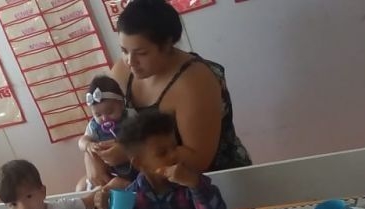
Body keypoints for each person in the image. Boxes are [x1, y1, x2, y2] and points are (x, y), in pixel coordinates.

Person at [89, 0, 249, 189]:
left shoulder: (194, 82)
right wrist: (91, 158)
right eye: (124, 50)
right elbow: (99, 119)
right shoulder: (122, 71)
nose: (130, 61)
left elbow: (199, 160)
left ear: (166, 45)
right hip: (152, 185)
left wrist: (131, 152)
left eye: (142, 53)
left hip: (213, 184)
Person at [94, 110, 227, 209]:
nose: (173, 155)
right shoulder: (132, 193)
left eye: (174, 147)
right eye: (162, 153)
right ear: (139, 163)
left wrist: (194, 184)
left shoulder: (189, 180)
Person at [76, 75, 138, 192]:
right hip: (109, 172)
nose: (105, 118)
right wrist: (88, 145)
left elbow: (143, 136)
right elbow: (82, 141)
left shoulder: (130, 117)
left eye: (109, 112)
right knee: (82, 188)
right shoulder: (94, 126)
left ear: (122, 104)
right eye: (98, 114)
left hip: (133, 169)